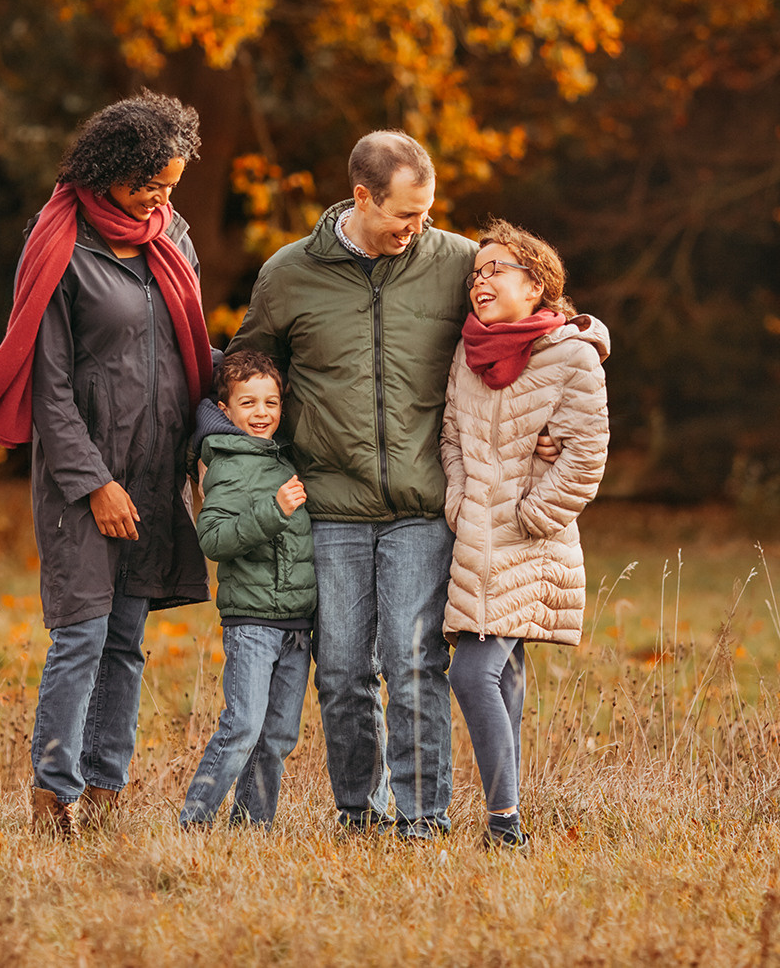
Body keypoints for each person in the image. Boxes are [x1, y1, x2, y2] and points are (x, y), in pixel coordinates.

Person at [230, 130, 558, 838]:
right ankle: (359, 813)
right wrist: (231, 458)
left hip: (421, 503)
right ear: (361, 197)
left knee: (412, 667)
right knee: (344, 675)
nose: (418, 229)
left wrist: (569, 380)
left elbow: (531, 325)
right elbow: (246, 371)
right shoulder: (288, 274)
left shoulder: (454, 264)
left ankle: (423, 818)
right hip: (330, 506)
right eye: (404, 215)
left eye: (427, 212)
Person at [0, 90, 214, 838]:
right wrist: (94, 483)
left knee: (128, 639)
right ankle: (52, 796)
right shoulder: (59, 243)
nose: (161, 198)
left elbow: (188, 349)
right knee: (83, 636)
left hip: (160, 469)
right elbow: (48, 384)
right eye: (150, 184)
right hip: (85, 476)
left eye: (170, 185)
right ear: (110, 170)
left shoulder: (173, 235)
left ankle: (105, 790)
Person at [441, 220, 609, 850]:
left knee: (471, 674)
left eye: (497, 270)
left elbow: (586, 454)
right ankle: (506, 823)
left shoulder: (572, 354)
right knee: (502, 675)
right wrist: (459, 499)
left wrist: (534, 514)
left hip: (531, 542)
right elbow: (451, 438)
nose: (480, 281)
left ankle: (504, 821)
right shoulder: (467, 350)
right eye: (476, 272)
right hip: (475, 539)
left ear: (536, 284)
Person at [178, 351, 316, 829]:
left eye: (272, 402)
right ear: (226, 409)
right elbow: (213, 538)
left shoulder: (284, 458)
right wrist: (273, 512)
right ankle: (193, 821)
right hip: (253, 622)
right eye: (249, 403)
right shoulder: (227, 462)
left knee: (277, 735)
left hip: (296, 625)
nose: (262, 413)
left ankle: (251, 827)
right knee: (241, 727)